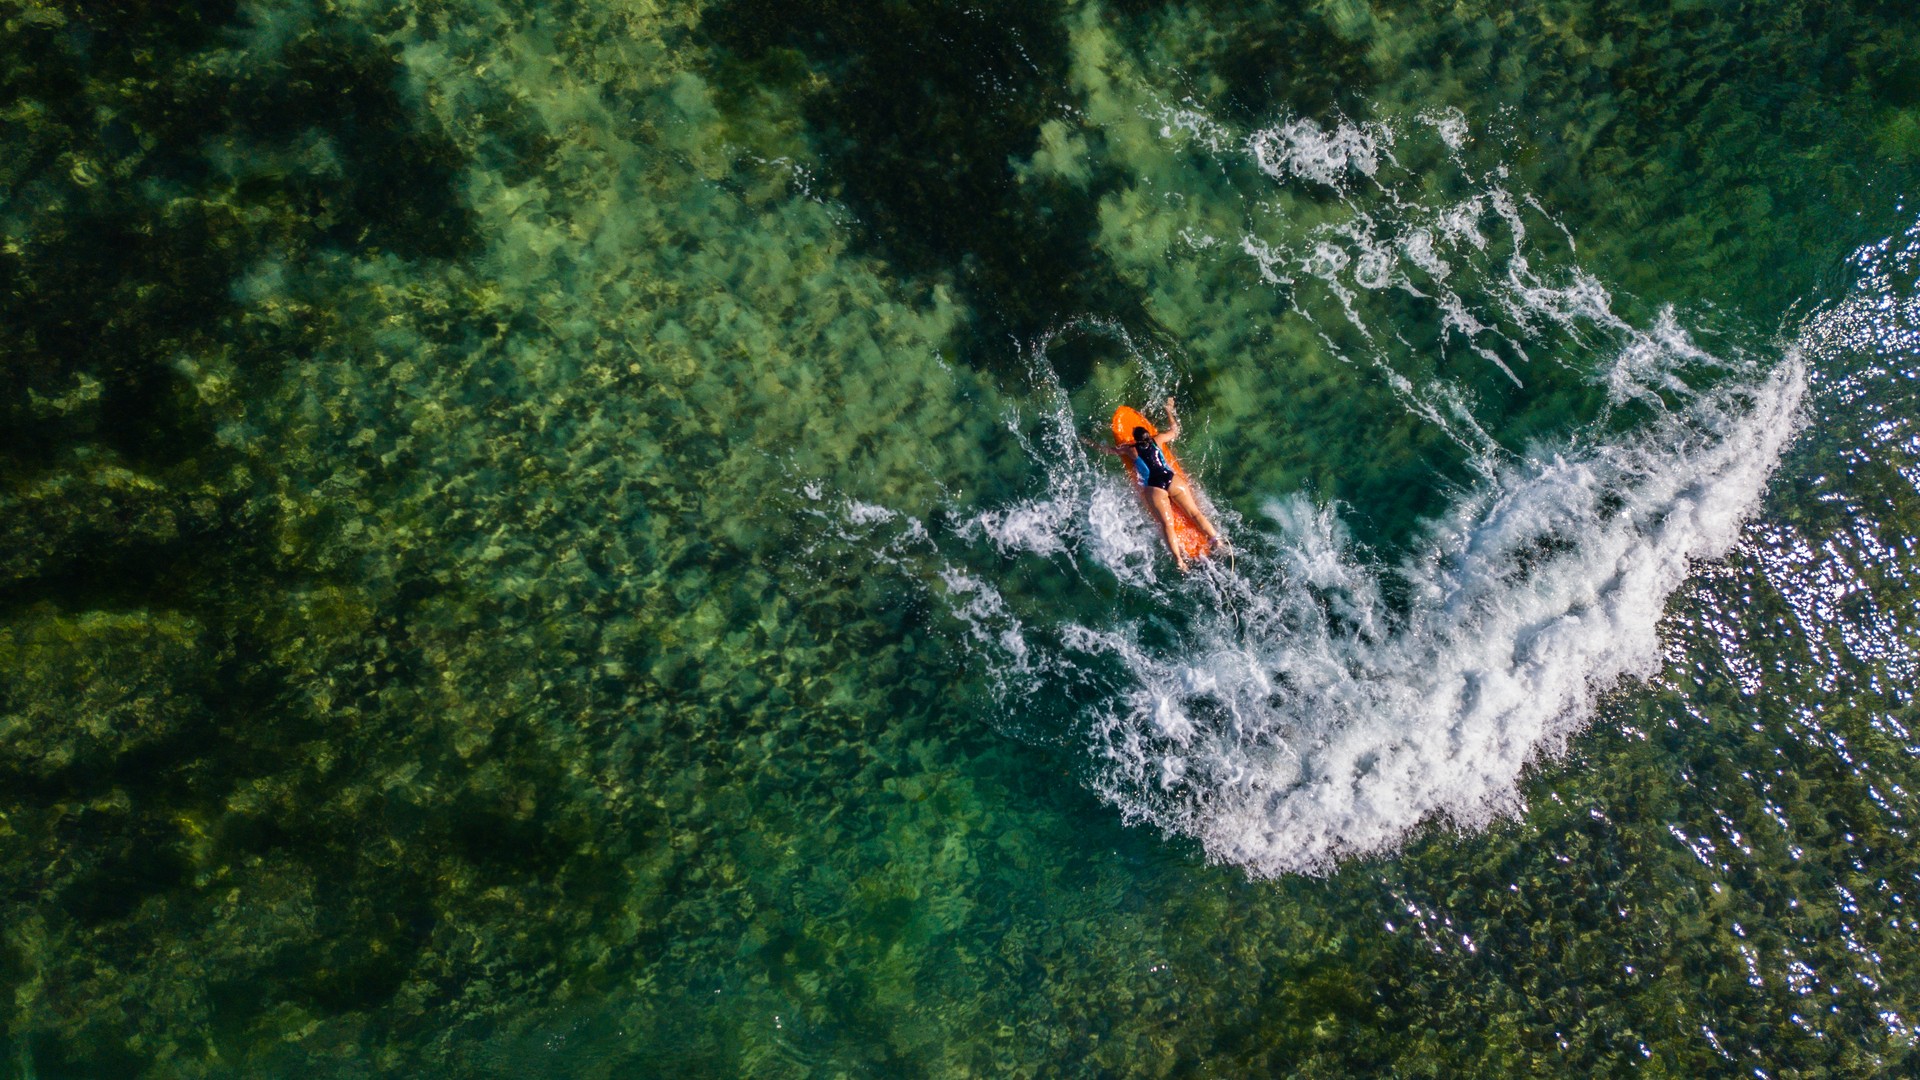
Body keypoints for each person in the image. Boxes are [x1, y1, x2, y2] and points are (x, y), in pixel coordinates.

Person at [1096, 397, 1224, 572]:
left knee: (1167, 525)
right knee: (1195, 513)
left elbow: (1110, 451)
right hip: (1172, 480)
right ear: (1148, 436)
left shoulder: (1131, 450)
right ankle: (1217, 541)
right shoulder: (1158, 440)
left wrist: (1092, 444)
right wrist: (1169, 410)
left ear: (1135, 439)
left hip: (1154, 487)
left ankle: (1179, 561)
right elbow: (1175, 430)